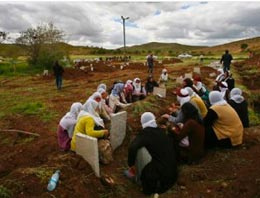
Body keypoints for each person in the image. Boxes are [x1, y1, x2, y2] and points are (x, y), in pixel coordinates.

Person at [126, 112, 177, 195]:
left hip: (161, 180)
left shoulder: (145, 133)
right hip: (173, 174)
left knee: (141, 150)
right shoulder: (161, 131)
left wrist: (131, 164)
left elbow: (132, 147)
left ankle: (139, 179)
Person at [71, 99, 113, 164]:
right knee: (104, 145)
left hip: (75, 143)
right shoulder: (89, 118)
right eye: (96, 108)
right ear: (91, 108)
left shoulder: (82, 114)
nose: (97, 110)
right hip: (80, 147)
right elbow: (90, 133)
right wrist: (103, 132)